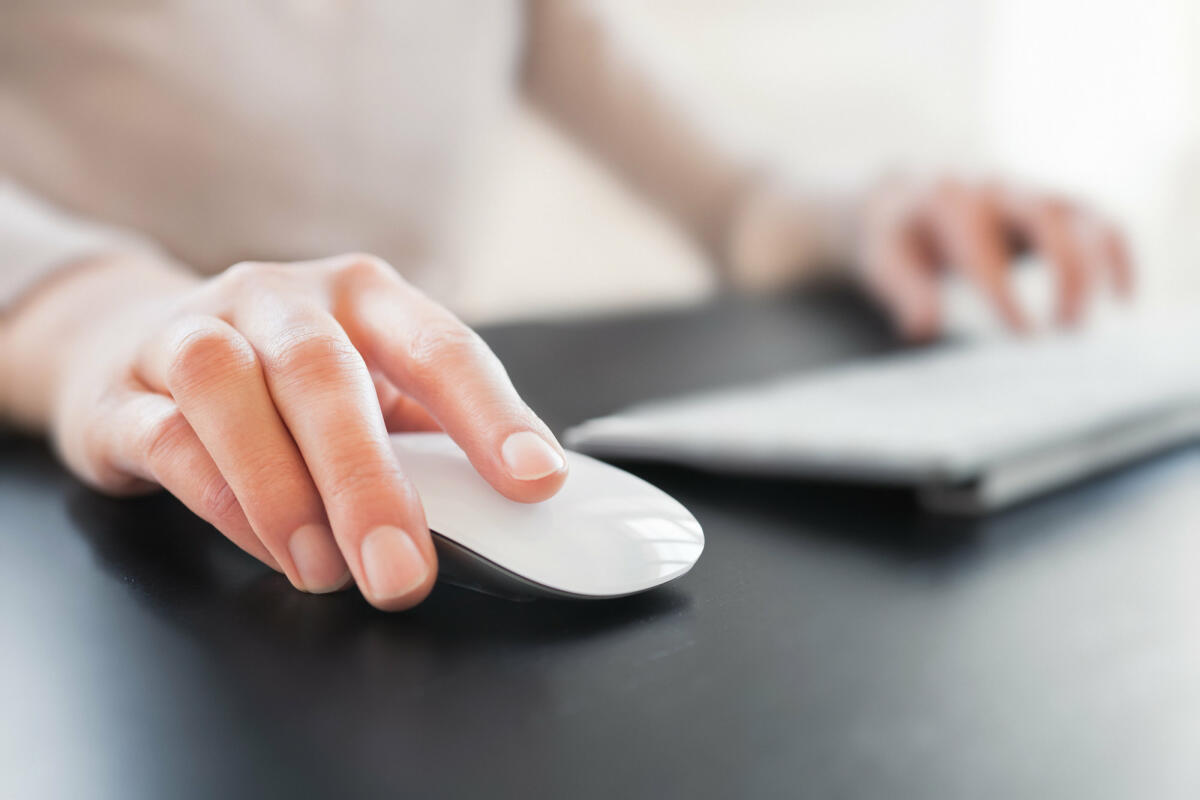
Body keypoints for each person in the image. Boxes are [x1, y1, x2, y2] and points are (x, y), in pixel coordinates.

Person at [0, 2, 1131, 610]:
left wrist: (872, 213)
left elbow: (738, 201)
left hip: (397, 457)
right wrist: (94, 313)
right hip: (88, 490)